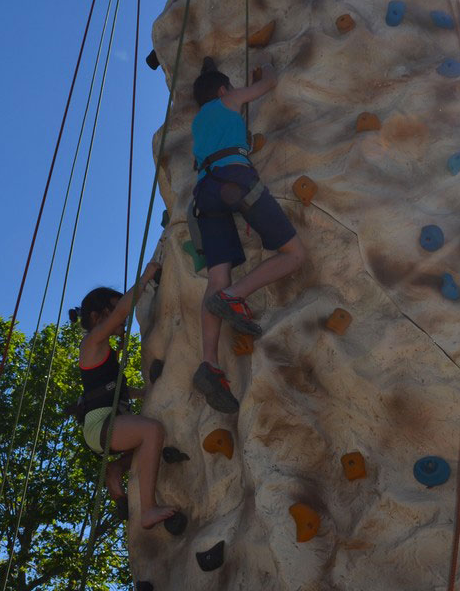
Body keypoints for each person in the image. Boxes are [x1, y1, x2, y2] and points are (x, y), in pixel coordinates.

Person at [189, 62, 306, 414]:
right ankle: (233, 296)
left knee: (216, 276)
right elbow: (268, 84)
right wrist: (265, 71)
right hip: (235, 179)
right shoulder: (228, 100)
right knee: (294, 254)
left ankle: (209, 362)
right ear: (223, 90)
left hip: (204, 192)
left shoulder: (198, 122)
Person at [71, 263, 176, 529]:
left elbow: (116, 391)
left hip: (104, 422)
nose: (123, 319)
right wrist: (146, 277)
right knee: (152, 431)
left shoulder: (103, 352)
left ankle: (117, 469)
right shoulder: (92, 342)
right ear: (97, 316)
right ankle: (148, 510)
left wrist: (148, 392)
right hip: (101, 424)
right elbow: (121, 312)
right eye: (114, 309)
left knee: (147, 447)